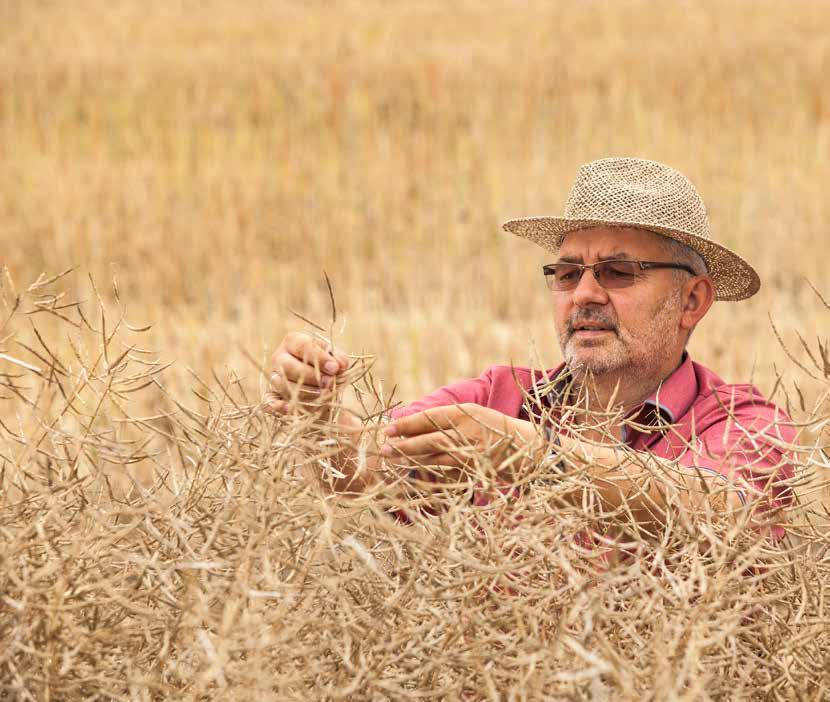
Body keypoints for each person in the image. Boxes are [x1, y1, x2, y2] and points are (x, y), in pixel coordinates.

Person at [265, 157, 796, 538]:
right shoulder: (499, 397)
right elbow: (366, 475)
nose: (585, 294)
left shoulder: (743, 421)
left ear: (692, 300)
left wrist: (535, 459)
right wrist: (315, 415)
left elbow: (723, 511)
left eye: (618, 272)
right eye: (566, 274)